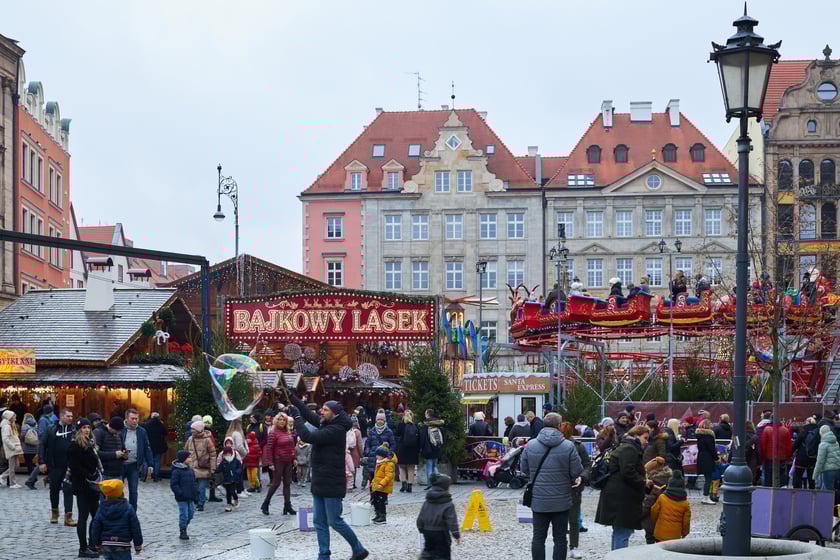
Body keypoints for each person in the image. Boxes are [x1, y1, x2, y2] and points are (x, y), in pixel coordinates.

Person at [286, 394, 369, 560]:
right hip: (320, 482)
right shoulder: (328, 423)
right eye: (321, 409)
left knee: (334, 520)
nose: (321, 412)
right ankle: (323, 555)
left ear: (334, 413)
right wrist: (293, 397)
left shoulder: (336, 430)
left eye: (325, 410)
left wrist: (296, 417)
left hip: (332, 482)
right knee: (319, 521)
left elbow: (308, 437)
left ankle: (358, 548)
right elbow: (309, 414)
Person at [520, 413, 583, 560]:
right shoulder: (568, 446)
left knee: (538, 538)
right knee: (560, 538)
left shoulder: (531, 445)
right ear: (559, 425)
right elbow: (576, 471)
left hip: (539, 499)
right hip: (561, 500)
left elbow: (524, 469)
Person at [595, 424, 650, 550]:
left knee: (620, 532)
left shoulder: (627, 446)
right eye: (645, 438)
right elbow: (628, 471)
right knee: (622, 532)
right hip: (622, 497)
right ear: (636, 436)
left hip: (620, 495)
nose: (646, 441)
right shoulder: (629, 448)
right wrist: (643, 481)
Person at [67, 417, 101, 558]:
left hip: (93, 485)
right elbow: (75, 467)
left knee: (96, 515)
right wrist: (89, 475)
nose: (87, 430)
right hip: (82, 485)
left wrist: (95, 475)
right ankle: (83, 548)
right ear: (79, 430)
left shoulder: (91, 444)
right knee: (83, 517)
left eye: (88, 428)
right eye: (84, 428)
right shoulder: (75, 446)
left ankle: (92, 543)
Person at [39, 407, 77, 525]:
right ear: (61, 416)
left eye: (71, 416)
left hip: (69, 466)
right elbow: (42, 445)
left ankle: (68, 516)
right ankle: (55, 512)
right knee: (54, 490)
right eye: (68, 416)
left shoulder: (74, 430)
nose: (70, 418)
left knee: (68, 490)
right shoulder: (51, 429)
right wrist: (42, 462)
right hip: (54, 465)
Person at [91, 479, 143, 560]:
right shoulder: (128, 508)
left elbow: (96, 527)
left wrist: (97, 543)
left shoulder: (101, 508)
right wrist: (138, 544)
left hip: (107, 546)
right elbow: (135, 527)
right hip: (123, 547)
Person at [560, 422, 590, 559]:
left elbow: (587, 465)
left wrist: (582, 477)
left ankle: (572, 546)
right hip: (560, 486)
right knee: (566, 519)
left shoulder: (578, 446)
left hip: (573, 487)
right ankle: (566, 546)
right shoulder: (554, 446)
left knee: (572, 519)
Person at [417, 473, 461, 560]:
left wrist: (420, 527)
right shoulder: (448, 503)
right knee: (443, 554)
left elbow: (421, 516)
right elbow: (451, 520)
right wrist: (456, 534)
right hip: (441, 532)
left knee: (428, 550)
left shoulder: (428, 501)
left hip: (428, 531)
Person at [261, 412, 297, 516]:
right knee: (276, 483)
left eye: (284, 420)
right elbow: (269, 449)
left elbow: (292, 446)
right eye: (280, 420)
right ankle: (266, 503)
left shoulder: (287, 431)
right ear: (276, 421)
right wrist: (270, 463)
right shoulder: (273, 432)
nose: (282, 421)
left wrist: (294, 457)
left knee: (287, 483)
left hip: (288, 460)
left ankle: (287, 506)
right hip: (278, 461)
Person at [120, 409, 153, 512]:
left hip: (134, 465)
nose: (135, 421)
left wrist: (150, 464)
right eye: (132, 419)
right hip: (120, 464)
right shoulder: (120, 429)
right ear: (126, 418)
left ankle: (132, 512)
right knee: (118, 490)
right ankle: (120, 510)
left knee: (133, 491)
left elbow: (147, 447)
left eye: (136, 419)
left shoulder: (141, 431)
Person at [650, 470, 691, 543]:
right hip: (675, 536)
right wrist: (685, 533)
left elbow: (654, 511)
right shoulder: (685, 504)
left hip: (660, 533)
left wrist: (657, 521)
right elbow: (686, 522)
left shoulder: (662, 498)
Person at [184, 420, 216, 511]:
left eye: (193, 429)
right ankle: (197, 501)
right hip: (192, 467)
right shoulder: (190, 439)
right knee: (194, 487)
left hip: (203, 468)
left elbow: (213, 455)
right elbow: (185, 451)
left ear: (198, 430)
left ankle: (201, 503)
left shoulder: (207, 440)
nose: (191, 431)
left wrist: (213, 468)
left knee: (201, 487)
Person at [641, 456, 672, 544]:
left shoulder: (652, 484)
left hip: (652, 523)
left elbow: (647, 505)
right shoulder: (670, 480)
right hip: (668, 522)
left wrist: (639, 516)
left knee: (651, 542)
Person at [170, 449, 196, 540]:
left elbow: (193, 483)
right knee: (184, 513)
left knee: (191, 513)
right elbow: (174, 484)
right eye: (188, 457)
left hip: (190, 496)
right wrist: (180, 493)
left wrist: (195, 493)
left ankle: (185, 525)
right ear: (183, 459)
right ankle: (183, 530)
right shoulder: (177, 471)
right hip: (181, 497)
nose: (190, 458)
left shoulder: (190, 470)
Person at [365, 410, 396, 486]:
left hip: (383, 458)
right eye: (378, 419)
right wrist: (368, 452)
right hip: (372, 457)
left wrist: (388, 453)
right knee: (372, 479)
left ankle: (382, 496)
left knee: (382, 478)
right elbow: (367, 443)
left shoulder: (388, 431)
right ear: (376, 420)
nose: (380, 421)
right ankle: (372, 496)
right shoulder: (372, 431)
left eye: (381, 420)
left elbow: (393, 444)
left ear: (384, 420)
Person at [760, 417, 792, 487]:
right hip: (782, 460)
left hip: (769, 460)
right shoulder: (785, 430)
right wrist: (787, 457)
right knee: (781, 481)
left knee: (768, 481)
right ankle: (780, 496)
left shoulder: (767, 430)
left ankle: (768, 496)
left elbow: (763, 446)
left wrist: (762, 458)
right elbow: (789, 447)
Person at [396, 409, 420, 493]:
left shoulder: (401, 425)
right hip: (413, 449)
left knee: (402, 467)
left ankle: (404, 484)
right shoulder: (415, 425)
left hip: (402, 448)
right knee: (411, 468)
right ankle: (410, 486)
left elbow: (397, 434)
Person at [371, 444, 397, 524]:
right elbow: (377, 475)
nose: (376, 457)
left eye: (378, 455)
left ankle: (382, 517)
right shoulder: (379, 462)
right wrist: (373, 482)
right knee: (375, 500)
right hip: (377, 486)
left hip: (384, 487)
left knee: (381, 501)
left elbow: (389, 476)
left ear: (382, 456)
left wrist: (382, 484)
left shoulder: (389, 464)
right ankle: (377, 514)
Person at [420, 409, 446, 490]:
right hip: (437, 448)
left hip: (428, 449)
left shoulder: (426, 425)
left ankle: (430, 484)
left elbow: (423, 438)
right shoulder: (439, 424)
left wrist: (421, 448)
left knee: (429, 467)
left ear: (427, 414)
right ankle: (437, 483)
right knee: (435, 466)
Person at [791, 416, 818, 489]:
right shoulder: (818, 433)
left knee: (798, 476)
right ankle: (812, 493)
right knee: (811, 477)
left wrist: (790, 453)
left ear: (807, 423)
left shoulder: (803, 431)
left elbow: (796, 444)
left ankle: (797, 492)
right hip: (813, 458)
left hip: (801, 458)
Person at [695, 420, 718, 504]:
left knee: (707, 477)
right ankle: (705, 497)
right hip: (708, 457)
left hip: (701, 456)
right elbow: (712, 449)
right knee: (708, 478)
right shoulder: (709, 436)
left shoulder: (699, 436)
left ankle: (705, 497)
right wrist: (716, 458)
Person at [813, 424, 840, 491]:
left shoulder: (823, 445)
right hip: (838, 469)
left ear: (821, 433)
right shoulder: (836, 442)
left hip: (828, 471)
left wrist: (815, 475)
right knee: (836, 490)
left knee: (829, 492)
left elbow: (820, 461)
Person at [0, 410, 23, 488]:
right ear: (10, 417)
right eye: (14, 417)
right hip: (12, 448)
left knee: (15, 465)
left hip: (14, 448)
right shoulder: (6, 426)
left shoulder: (10, 425)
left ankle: (5, 478)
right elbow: (5, 439)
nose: (15, 419)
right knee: (13, 466)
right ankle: (11, 483)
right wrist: (12, 447)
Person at [143, 411, 167, 483]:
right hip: (158, 446)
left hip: (149, 445)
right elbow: (165, 433)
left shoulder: (146, 424)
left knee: (147, 460)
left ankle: (144, 475)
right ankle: (155, 476)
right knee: (157, 461)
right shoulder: (161, 425)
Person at [219, 444, 242, 512]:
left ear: (231, 453)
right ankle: (228, 504)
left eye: (229, 453)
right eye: (226, 453)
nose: (227, 454)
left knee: (232, 491)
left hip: (234, 479)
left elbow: (240, 467)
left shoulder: (235, 460)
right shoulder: (224, 461)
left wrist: (237, 472)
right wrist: (215, 471)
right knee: (228, 492)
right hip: (226, 479)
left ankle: (236, 499)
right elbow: (219, 468)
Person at [20, 412, 39, 487]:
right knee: (32, 463)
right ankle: (33, 477)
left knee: (29, 463)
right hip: (35, 447)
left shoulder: (24, 426)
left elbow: (22, 436)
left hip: (27, 448)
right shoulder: (36, 425)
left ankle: (32, 477)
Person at [348, 416, 363, 489]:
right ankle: (353, 483)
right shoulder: (358, 432)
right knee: (354, 468)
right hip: (355, 452)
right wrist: (361, 454)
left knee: (347, 467)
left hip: (347, 451)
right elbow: (360, 445)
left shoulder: (346, 430)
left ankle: (347, 482)